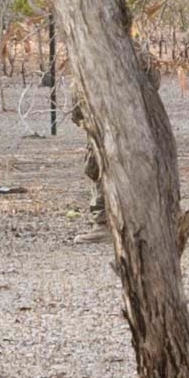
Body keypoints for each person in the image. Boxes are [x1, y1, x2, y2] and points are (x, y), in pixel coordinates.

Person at [72, 39, 160, 243]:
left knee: (99, 168)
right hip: (135, 123)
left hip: (104, 121)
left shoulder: (93, 47)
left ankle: (104, 223)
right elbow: (154, 83)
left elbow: (78, 90)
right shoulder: (141, 53)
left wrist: (80, 116)